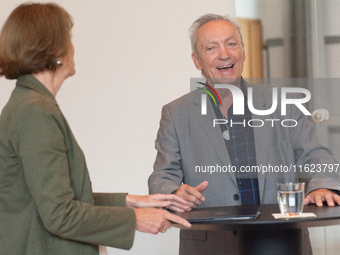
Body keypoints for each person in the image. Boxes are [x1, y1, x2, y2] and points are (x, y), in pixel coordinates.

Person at [0, 3, 192, 255]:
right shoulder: (36, 112)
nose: (73, 48)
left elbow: (50, 198)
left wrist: (130, 202)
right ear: (56, 50)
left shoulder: (27, 104)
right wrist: (136, 219)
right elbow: (60, 214)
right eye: (68, 39)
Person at [148, 13, 340, 254]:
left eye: (231, 44)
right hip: (211, 245)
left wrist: (321, 186)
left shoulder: (283, 103)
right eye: (211, 48)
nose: (225, 54)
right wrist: (174, 192)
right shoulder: (176, 113)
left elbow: (315, 155)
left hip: (280, 241)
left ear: (243, 51)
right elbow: (161, 177)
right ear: (197, 60)